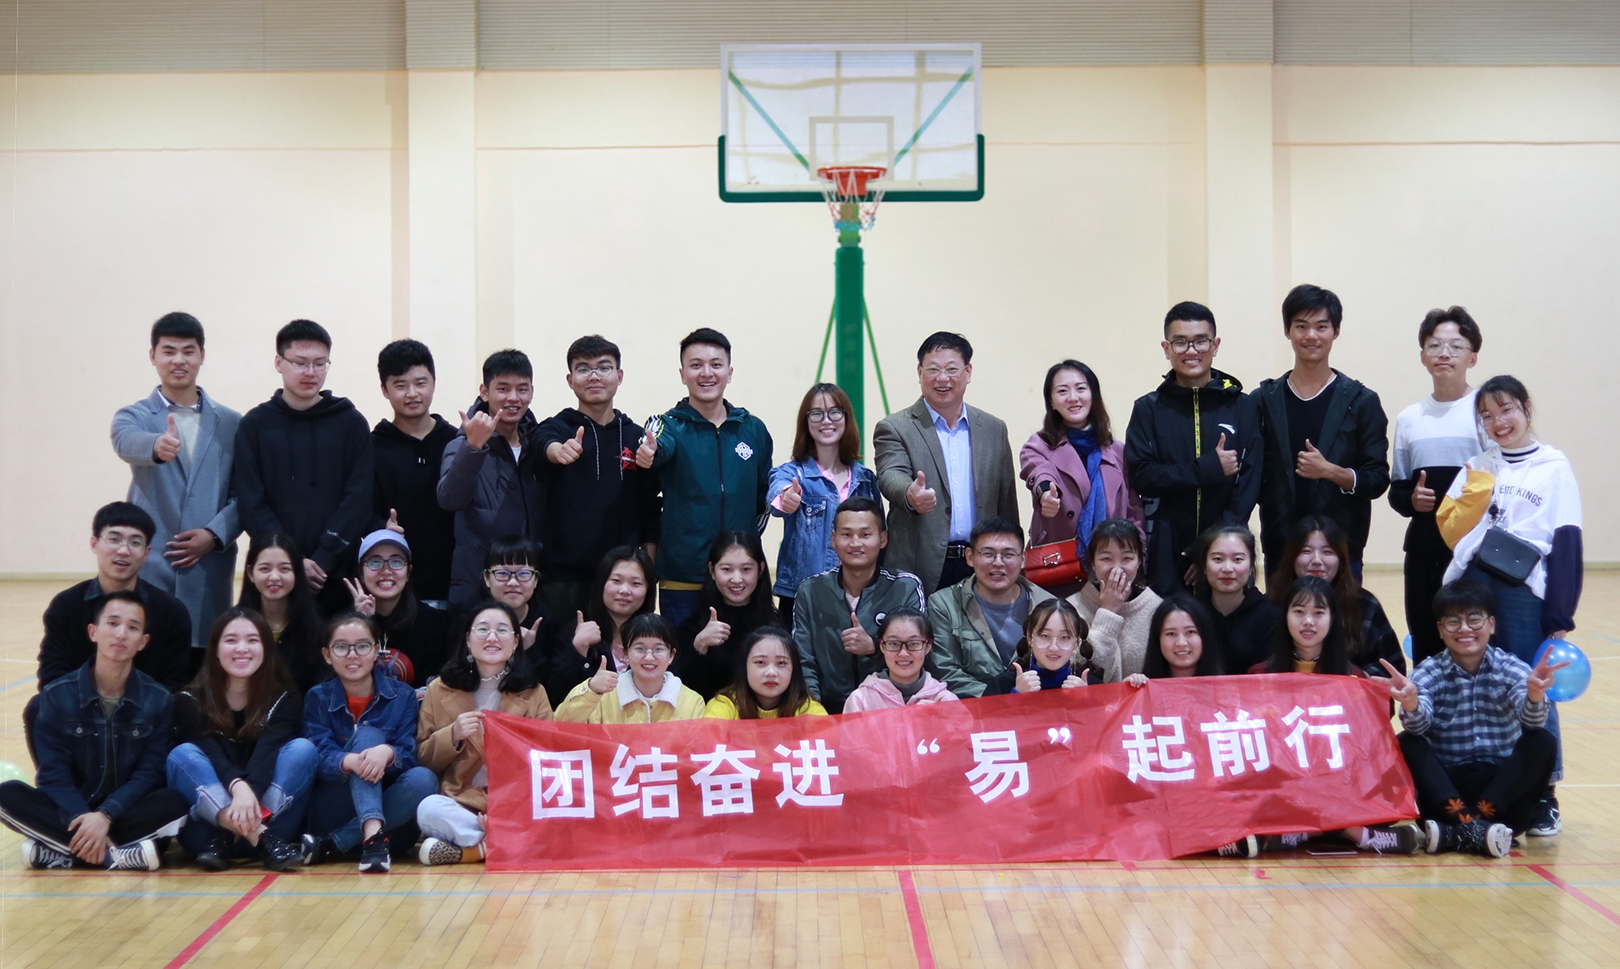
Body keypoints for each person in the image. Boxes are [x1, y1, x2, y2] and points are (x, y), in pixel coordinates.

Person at [1438, 374, 1581, 836]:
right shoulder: (1478, 466)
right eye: (1487, 416)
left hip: (1523, 592)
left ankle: (1545, 795)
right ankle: (1487, 786)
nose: (1498, 422)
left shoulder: (1554, 467)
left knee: (1532, 687)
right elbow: (1450, 526)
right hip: (1473, 583)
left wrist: (1558, 616)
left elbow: (1567, 542)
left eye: (1506, 410)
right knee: (1477, 686)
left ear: (1525, 408)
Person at [1, 592, 188, 870]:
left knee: (174, 802)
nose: (121, 633)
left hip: (125, 811)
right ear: (93, 632)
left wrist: (106, 815)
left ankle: (61, 852)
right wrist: (83, 816)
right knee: (7, 794)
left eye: (133, 627)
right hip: (73, 811)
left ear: (143, 641)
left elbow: (150, 773)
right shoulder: (56, 695)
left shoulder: (159, 699)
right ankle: (118, 855)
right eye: (112, 623)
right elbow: (53, 774)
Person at [1386, 580, 1562, 857]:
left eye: (1474, 619)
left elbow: (1533, 722)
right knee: (1408, 741)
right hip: (1446, 796)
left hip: (1502, 795)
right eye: (1453, 621)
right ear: (1440, 630)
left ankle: (1458, 833)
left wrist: (1534, 695)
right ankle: (1476, 830)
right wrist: (1411, 703)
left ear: (1491, 625)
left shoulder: (1511, 667)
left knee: (1542, 740)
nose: (1465, 628)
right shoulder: (1428, 672)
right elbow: (1418, 725)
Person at [111, 310, 242, 652]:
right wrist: (156, 445)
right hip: (152, 565)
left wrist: (215, 535)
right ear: (153, 355)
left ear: (202, 355)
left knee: (205, 663)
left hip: (209, 568)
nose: (179, 360)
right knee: (150, 657)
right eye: (169, 351)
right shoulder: (135, 416)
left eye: (188, 351)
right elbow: (124, 441)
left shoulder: (231, 423)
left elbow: (245, 494)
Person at [634, 328, 773, 627]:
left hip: (740, 580)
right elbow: (655, 444)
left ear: (729, 372)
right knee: (684, 654)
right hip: (683, 577)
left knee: (747, 654)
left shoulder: (753, 429)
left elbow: (763, 499)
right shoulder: (668, 425)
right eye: (696, 365)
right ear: (682, 374)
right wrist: (648, 452)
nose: (706, 373)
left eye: (716, 364)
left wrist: (747, 543)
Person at [234, 319, 374, 612]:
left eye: (320, 364)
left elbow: (359, 498)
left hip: (335, 573)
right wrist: (291, 562)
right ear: (279, 363)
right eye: (300, 363)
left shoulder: (351, 423)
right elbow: (251, 502)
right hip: (274, 575)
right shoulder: (254, 426)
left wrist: (324, 558)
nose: (311, 372)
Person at [1253, 284, 1390, 579]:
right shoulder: (1263, 401)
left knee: (1343, 612)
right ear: (1288, 331)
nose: (1311, 335)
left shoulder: (1361, 401)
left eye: (1321, 326)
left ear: (1336, 331)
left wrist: (1331, 471)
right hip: (1281, 545)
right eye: (1301, 326)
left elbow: (1377, 479)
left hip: (1341, 548)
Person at [1125, 302, 1262, 595]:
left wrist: (1209, 548)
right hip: (1165, 551)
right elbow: (1142, 476)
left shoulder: (1241, 406)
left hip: (1227, 551)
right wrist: (1206, 468)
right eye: (1180, 342)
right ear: (1166, 348)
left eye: (1201, 341)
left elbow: (1249, 485)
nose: (1191, 351)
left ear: (1215, 345)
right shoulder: (1148, 409)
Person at [167, 607, 315, 871]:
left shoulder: (283, 700)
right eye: (231, 640)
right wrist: (237, 786)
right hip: (208, 833)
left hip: (272, 822)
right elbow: (212, 756)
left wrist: (247, 794)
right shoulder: (190, 700)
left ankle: (230, 834)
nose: (242, 648)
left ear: (266, 648)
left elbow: (266, 758)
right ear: (215, 649)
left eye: (252, 640)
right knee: (181, 755)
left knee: (303, 750)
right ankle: (256, 834)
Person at [873, 332, 1020, 596]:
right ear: (920, 372)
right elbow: (890, 474)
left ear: (968, 372)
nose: (943, 378)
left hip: (981, 564)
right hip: (919, 566)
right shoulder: (895, 427)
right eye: (933, 369)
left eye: (952, 369)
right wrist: (910, 494)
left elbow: (1006, 503)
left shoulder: (993, 429)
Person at [415, 601, 553, 866]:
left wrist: (508, 808)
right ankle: (505, 841)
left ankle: (478, 848)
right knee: (428, 809)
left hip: (517, 802)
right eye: (483, 629)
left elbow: (547, 758)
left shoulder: (533, 691)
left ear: (515, 642)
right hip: (464, 802)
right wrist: (453, 735)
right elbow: (424, 759)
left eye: (502, 630)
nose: (492, 637)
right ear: (468, 640)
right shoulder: (440, 689)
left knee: (556, 814)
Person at [535, 335, 661, 618]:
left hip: (623, 578)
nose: (594, 376)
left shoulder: (637, 437)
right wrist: (558, 451)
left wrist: (649, 568)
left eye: (604, 368)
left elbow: (651, 508)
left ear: (619, 376)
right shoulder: (556, 428)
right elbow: (544, 445)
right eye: (583, 369)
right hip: (563, 577)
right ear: (570, 380)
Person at [1388, 307, 1487, 665]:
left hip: (1474, 553)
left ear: (1472, 357)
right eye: (1435, 345)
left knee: (1472, 647)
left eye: (1456, 346)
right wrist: (1412, 499)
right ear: (1423, 356)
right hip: (1423, 551)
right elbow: (1397, 490)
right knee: (1426, 642)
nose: (1445, 353)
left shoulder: (1486, 412)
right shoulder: (1410, 419)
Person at [301, 613, 437, 873]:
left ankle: (336, 844)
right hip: (334, 809)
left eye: (362, 646)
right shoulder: (317, 697)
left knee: (425, 778)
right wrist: (349, 761)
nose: (353, 655)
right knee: (368, 736)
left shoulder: (403, 695)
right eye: (341, 647)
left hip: (393, 821)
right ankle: (373, 838)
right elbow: (316, 757)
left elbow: (408, 757)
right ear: (327, 655)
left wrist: (387, 753)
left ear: (376, 651)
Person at [36, 501, 192, 692]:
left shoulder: (171, 612)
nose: (123, 551)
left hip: (148, 709)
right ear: (94, 543)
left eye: (135, 542)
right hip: (77, 706)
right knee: (36, 707)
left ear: (147, 553)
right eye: (114, 539)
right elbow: (52, 675)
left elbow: (175, 683)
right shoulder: (66, 606)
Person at [1019, 359, 1144, 596]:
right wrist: (1045, 493)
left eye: (1080, 388)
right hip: (1059, 569)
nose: (1073, 398)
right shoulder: (1038, 445)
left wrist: (1138, 556)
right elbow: (1037, 471)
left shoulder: (1117, 451)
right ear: (1051, 401)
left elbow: (1133, 510)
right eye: (1062, 391)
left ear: (1093, 394)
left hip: (1112, 572)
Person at [792, 497, 926, 714]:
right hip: (827, 712)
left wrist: (874, 648)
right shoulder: (810, 591)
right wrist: (814, 712)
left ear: (883, 538)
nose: (855, 543)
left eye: (865, 535)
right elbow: (804, 662)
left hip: (892, 710)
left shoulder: (905, 587)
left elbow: (918, 651)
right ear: (833, 539)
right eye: (846, 535)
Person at [438, 349, 545, 612]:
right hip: (476, 590)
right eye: (503, 388)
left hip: (529, 589)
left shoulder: (538, 445)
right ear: (485, 392)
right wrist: (473, 447)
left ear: (532, 392)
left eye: (522, 389)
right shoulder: (462, 444)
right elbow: (449, 499)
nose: (513, 398)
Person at [768, 383, 882, 620]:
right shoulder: (793, 473)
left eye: (834, 412)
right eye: (816, 413)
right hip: (802, 597)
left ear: (846, 418)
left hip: (860, 595)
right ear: (806, 421)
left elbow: (879, 538)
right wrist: (786, 498)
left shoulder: (866, 479)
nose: (826, 420)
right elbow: (777, 493)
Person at [370, 339, 458, 608]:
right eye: (400, 385)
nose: (412, 393)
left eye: (420, 383)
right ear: (384, 390)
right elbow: (360, 509)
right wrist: (380, 528)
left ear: (434, 383)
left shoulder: (458, 442)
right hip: (395, 591)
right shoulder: (370, 448)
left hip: (455, 585)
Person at [927, 517, 1054, 698]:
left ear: (1023, 559)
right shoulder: (944, 604)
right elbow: (946, 672)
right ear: (970, 557)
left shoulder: (1047, 605)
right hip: (972, 708)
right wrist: (1002, 698)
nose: (998, 562)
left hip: (1035, 703)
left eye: (1008, 555)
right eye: (988, 554)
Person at [1267, 516, 1403, 678]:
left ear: (1341, 559)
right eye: (1306, 551)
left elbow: (1393, 669)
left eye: (1327, 552)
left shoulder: (1364, 604)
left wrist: (1355, 678)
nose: (1317, 560)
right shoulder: (1271, 604)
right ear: (1291, 557)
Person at [675, 532, 781, 700]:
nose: (737, 579)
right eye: (726, 569)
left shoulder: (777, 626)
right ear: (712, 570)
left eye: (746, 569)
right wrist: (699, 645)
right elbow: (684, 694)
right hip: (710, 714)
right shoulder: (692, 628)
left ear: (760, 569)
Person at [546, 546, 656, 706]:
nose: (625, 590)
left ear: (648, 590)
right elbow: (556, 698)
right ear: (601, 583)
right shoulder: (574, 632)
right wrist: (578, 650)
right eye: (616, 581)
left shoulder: (658, 635)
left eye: (636, 583)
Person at [343, 531, 453, 688]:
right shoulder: (344, 624)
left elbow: (438, 686)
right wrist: (361, 623)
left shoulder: (432, 622)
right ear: (361, 573)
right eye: (375, 562)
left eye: (396, 562)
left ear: (408, 572)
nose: (386, 570)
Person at [554, 614, 706, 723]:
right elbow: (561, 727)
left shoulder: (692, 701)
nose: (649, 657)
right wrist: (591, 689)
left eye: (658, 649)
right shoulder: (603, 695)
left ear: (671, 655)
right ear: (625, 653)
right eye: (640, 649)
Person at [1066, 518, 1162, 683]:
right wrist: (1108, 611)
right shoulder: (1071, 609)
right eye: (1106, 559)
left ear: (1139, 561)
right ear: (1093, 562)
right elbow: (1079, 670)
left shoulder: (1156, 608)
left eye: (1127, 558)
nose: (1117, 568)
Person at [238, 534, 328, 694]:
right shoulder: (233, 627)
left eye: (284, 569)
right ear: (250, 573)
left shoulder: (316, 632)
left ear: (297, 573)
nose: (274, 577)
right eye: (264, 569)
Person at [1191, 524, 1277, 674]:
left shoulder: (1271, 616)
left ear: (1251, 566)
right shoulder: (1190, 613)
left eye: (1237, 559)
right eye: (1218, 559)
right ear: (1204, 566)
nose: (1227, 568)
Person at [843, 610, 959, 712]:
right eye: (894, 644)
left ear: (928, 646)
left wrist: (939, 721)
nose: (903, 653)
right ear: (882, 646)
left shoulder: (946, 700)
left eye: (913, 643)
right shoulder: (860, 700)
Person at [703, 627, 828, 719]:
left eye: (781, 663)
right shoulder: (724, 704)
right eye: (760, 662)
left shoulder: (807, 708)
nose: (771, 673)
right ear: (744, 666)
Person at [478, 537, 556, 667]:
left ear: (536, 580)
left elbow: (550, 678)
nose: (513, 582)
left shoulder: (549, 624)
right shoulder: (469, 620)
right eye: (502, 573)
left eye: (523, 573)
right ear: (487, 578)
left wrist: (529, 650)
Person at [1124, 594, 1225, 686]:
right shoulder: (1143, 688)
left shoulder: (1224, 689)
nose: (1181, 642)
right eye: (1171, 633)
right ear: (1158, 639)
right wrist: (1128, 691)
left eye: (1190, 632)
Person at [1009, 599, 1101, 693]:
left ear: (1076, 642)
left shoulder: (1094, 686)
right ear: (1030, 638)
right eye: (1045, 636)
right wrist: (1016, 695)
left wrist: (1085, 699)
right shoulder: (1006, 683)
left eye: (1064, 637)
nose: (1054, 647)